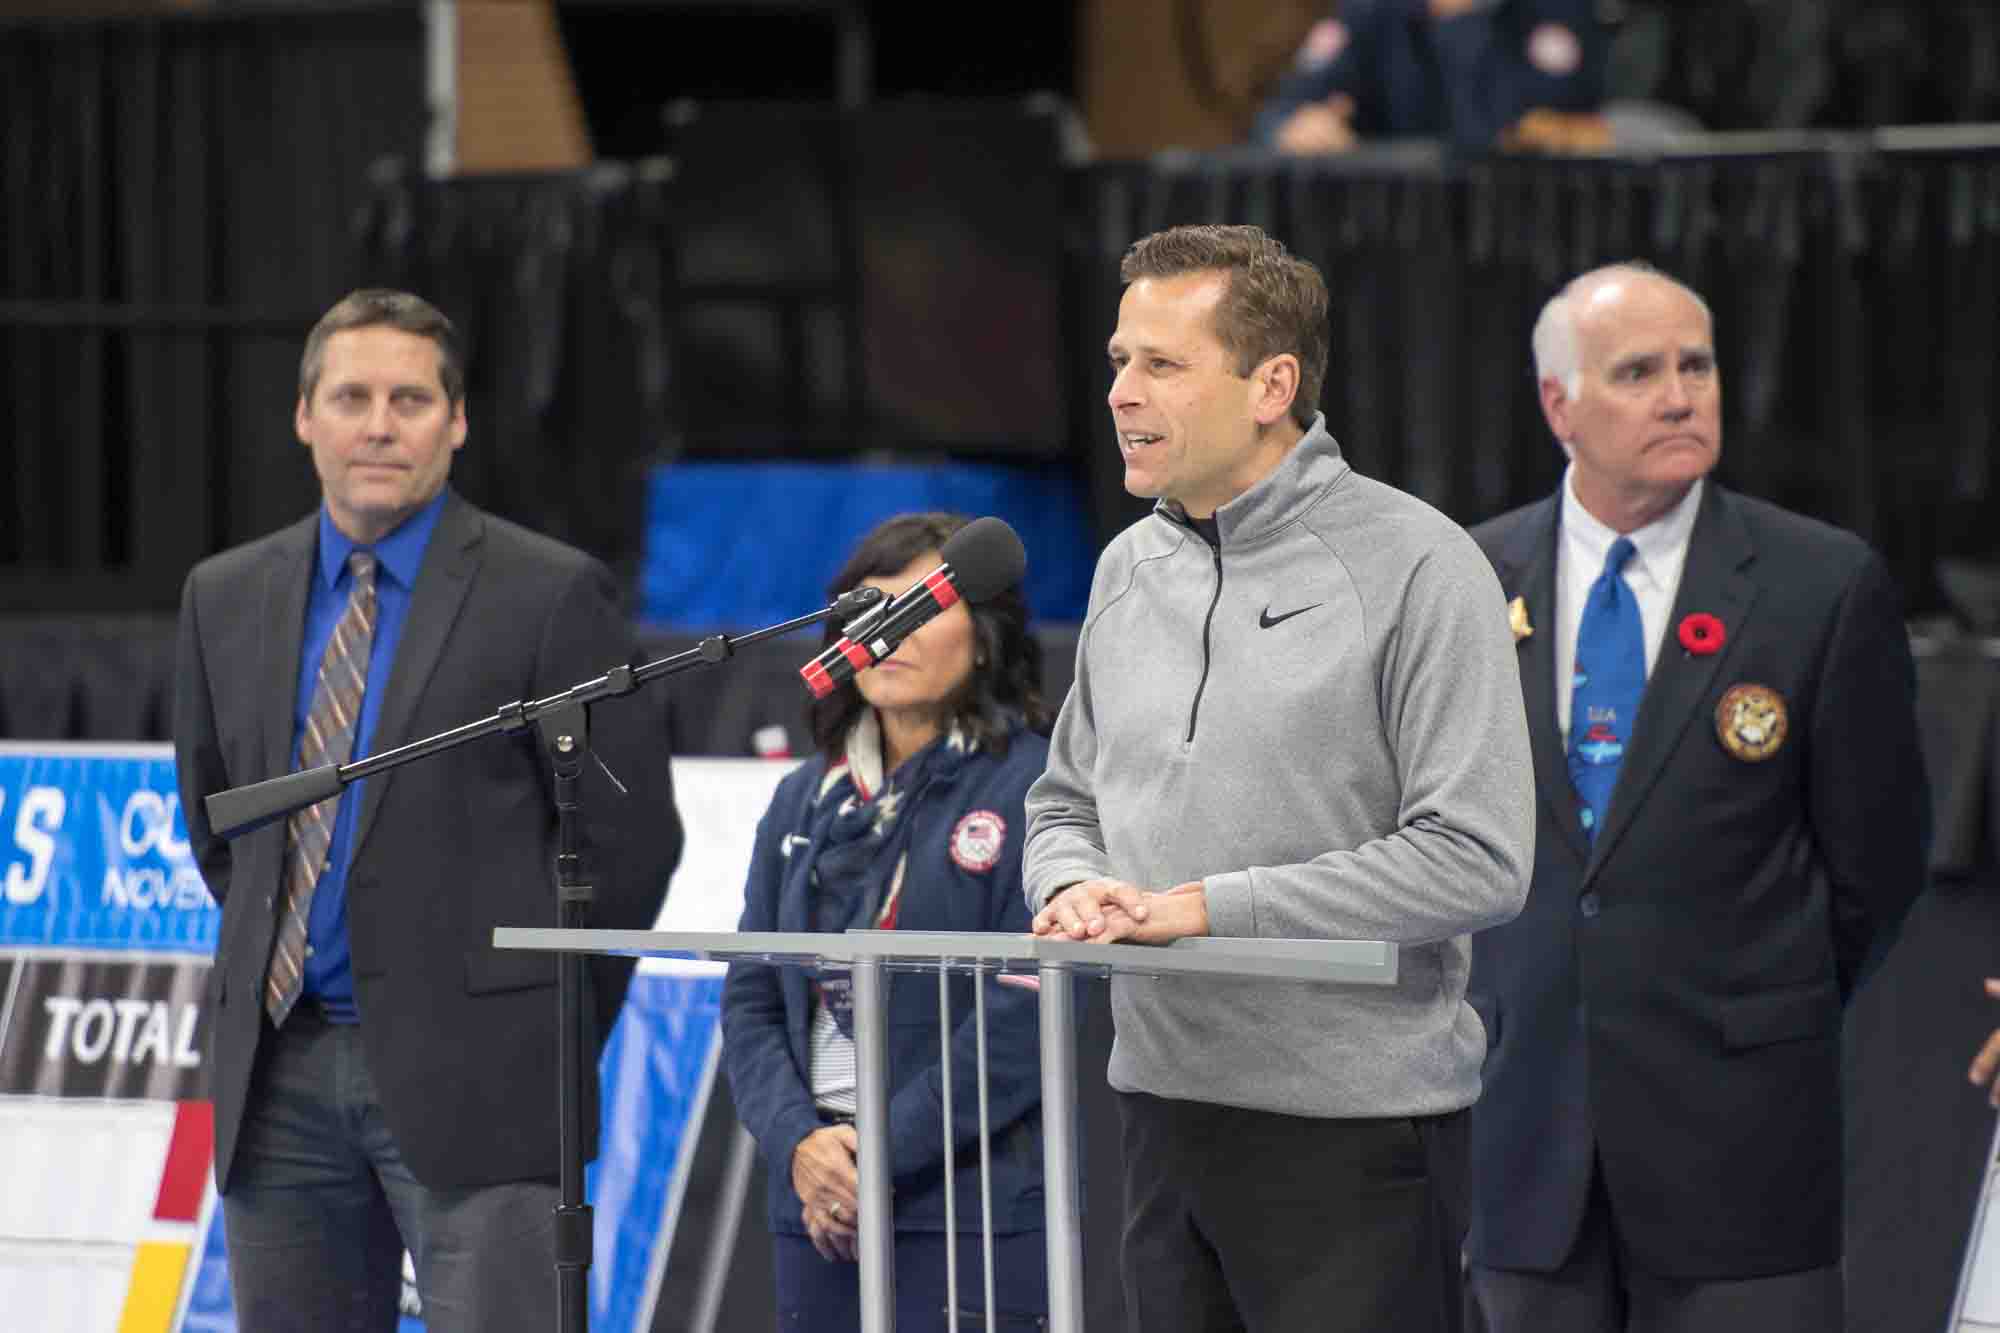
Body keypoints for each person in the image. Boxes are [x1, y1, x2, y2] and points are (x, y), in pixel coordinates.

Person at [1023, 222, 1535, 1333]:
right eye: (1118, 360)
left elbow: (1477, 855)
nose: (1120, 392)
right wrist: (1069, 885)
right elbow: (1065, 801)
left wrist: (1207, 909)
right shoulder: (1125, 568)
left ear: (1272, 384)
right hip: (1159, 1110)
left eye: (1161, 363)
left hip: (1352, 1136)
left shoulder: (1417, 563)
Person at [172, 288, 683, 1331]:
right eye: (351, 396)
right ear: (303, 415)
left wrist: (538, 1025)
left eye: (410, 398)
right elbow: (220, 823)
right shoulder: (222, 595)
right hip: (279, 1081)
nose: (378, 423)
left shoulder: (547, 592)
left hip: (485, 1088)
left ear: (455, 422)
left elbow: (630, 843)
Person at [1462, 262, 1931, 1333]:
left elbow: (1877, 865)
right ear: (1558, 406)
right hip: (1523, 1150)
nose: (1680, 395)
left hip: (1741, 1162)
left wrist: (1745, 1004)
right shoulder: (1467, 579)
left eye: (1696, 365)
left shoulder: (1819, 585)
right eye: (1637, 371)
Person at [721, 512, 1054, 1331]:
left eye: (921, 606)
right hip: (813, 1202)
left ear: (983, 637)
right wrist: (800, 1143)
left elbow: (1024, 1014)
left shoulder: (1038, 788)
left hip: (962, 1201)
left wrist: (875, 1156)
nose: (890, 631)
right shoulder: (804, 796)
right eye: (872, 607)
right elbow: (751, 998)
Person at [1253, 0, 1609, 154]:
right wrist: (1294, 125)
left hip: (1524, 229)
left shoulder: (1555, 12)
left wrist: (1461, 21)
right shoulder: (1375, 11)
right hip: (1397, 228)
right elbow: (1283, 110)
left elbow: (1491, 130)